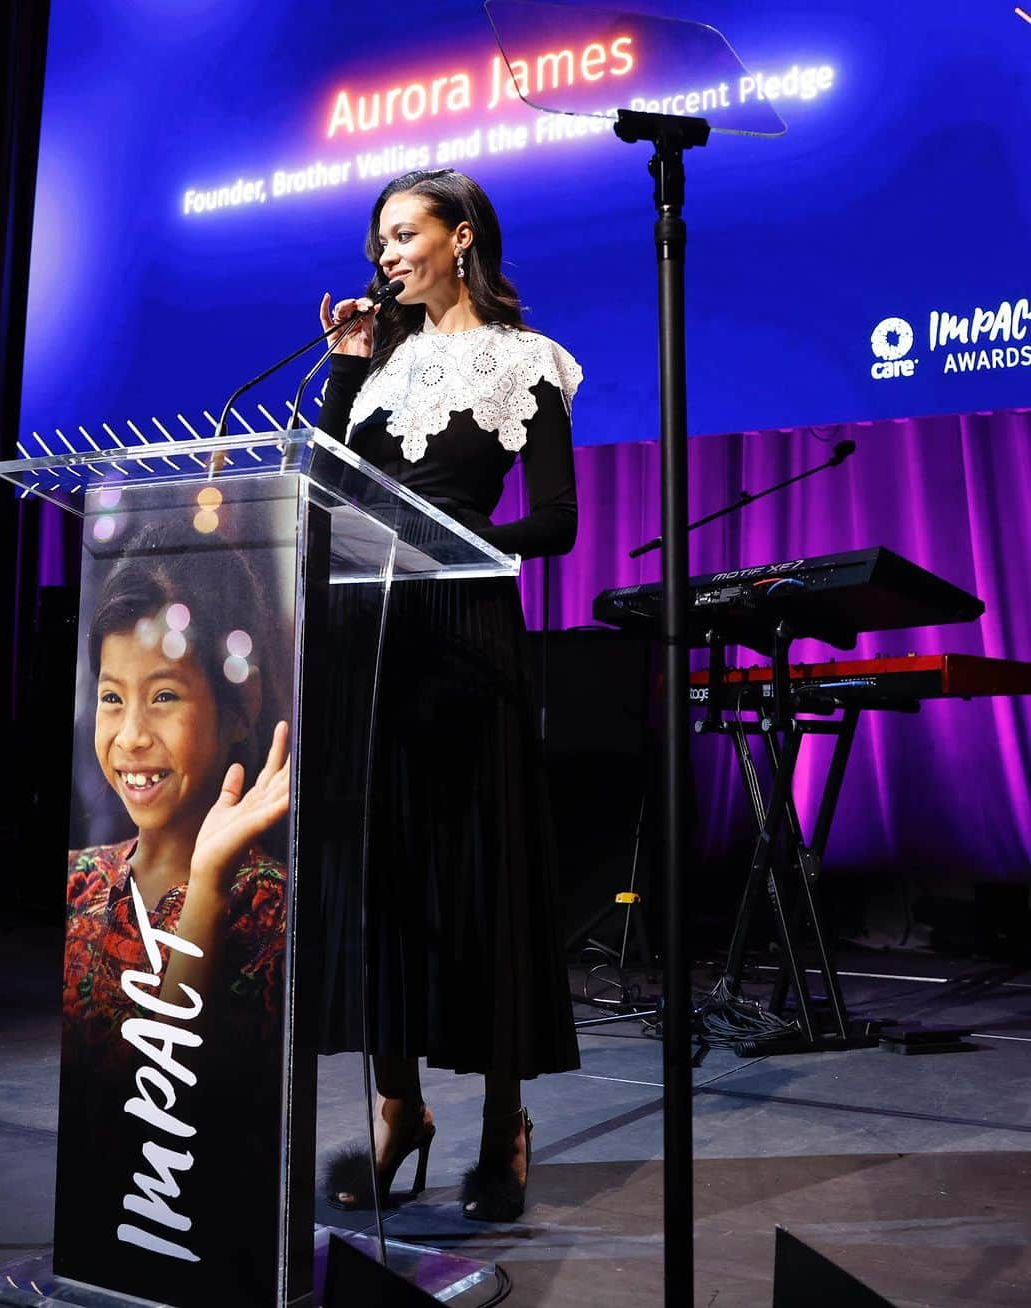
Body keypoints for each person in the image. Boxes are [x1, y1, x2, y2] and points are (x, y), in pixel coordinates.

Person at [315, 168, 582, 1223]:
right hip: (372, 643)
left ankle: (504, 1125)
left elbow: (554, 521)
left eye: (403, 234)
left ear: (460, 239)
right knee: (383, 878)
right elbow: (329, 490)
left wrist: (449, 546)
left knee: (479, 875)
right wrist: (343, 374)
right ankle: (400, 1111)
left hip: (468, 636)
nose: (384, 254)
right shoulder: (378, 366)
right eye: (378, 238)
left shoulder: (527, 363)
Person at [57, 533, 292, 1301]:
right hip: (96, 1237)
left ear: (238, 709)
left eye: (164, 696)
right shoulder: (81, 882)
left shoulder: (264, 901)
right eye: (112, 697)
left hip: (201, 1242)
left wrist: (206, 882)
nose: (130, 736)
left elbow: (183, 1090)